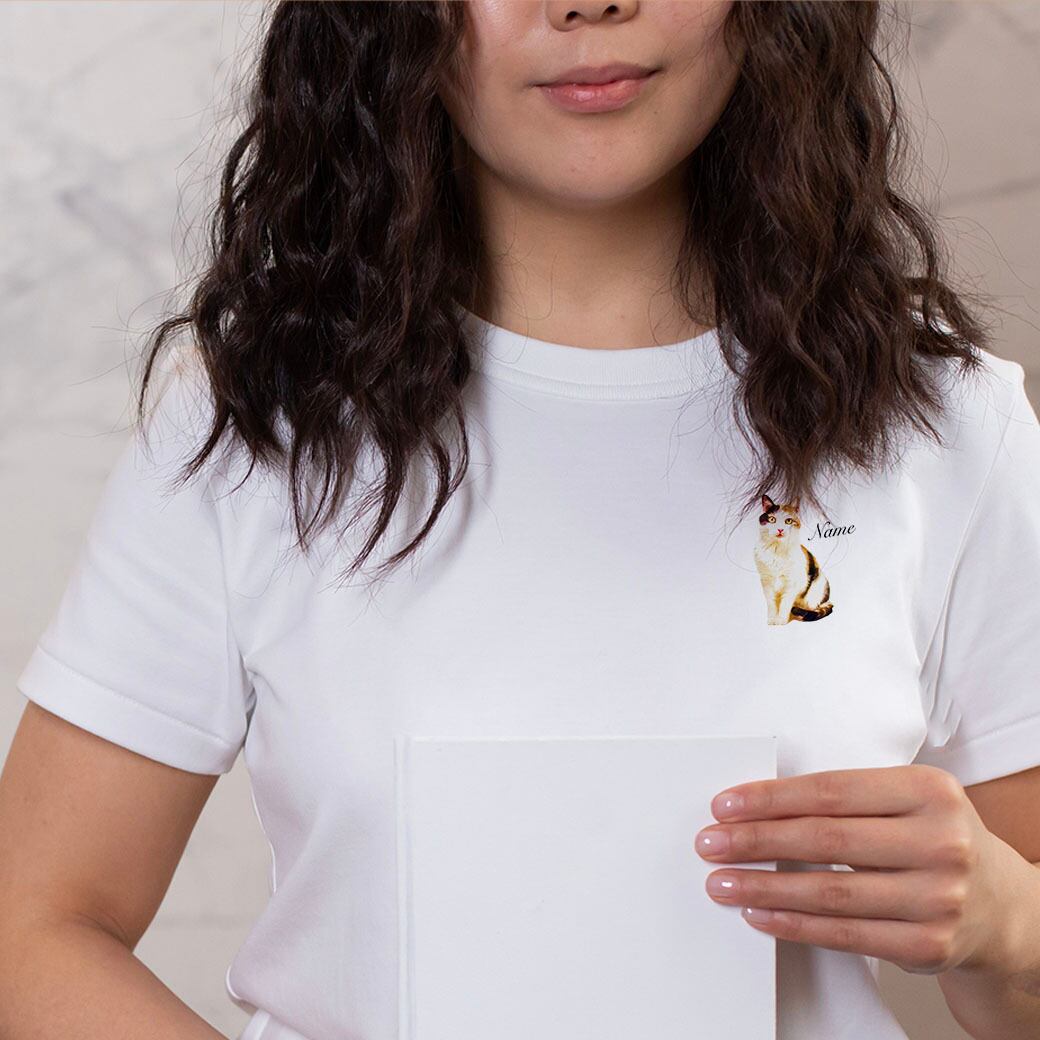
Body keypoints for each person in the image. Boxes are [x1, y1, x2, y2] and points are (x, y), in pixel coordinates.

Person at [2, 2, 1039, 1038]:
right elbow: (31, 926)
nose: (588, 3)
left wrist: (1011, 923)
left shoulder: (948, 424)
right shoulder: (255, 426)